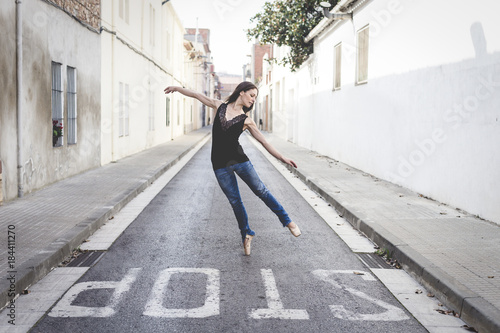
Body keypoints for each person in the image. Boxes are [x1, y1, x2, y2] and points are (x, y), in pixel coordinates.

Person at [164, 82, 301, 256]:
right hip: (219, 165)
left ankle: (288, 222)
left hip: (240, 162)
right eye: (252, 95)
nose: (253, 100)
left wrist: (283, 158)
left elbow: (264, 142)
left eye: (255, 98)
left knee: (261, 191)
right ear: (241, 92)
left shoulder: (247, 120)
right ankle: (247, 233)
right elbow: (198, 95)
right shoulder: (219, 106)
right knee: (235, 201)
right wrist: (178, 89)